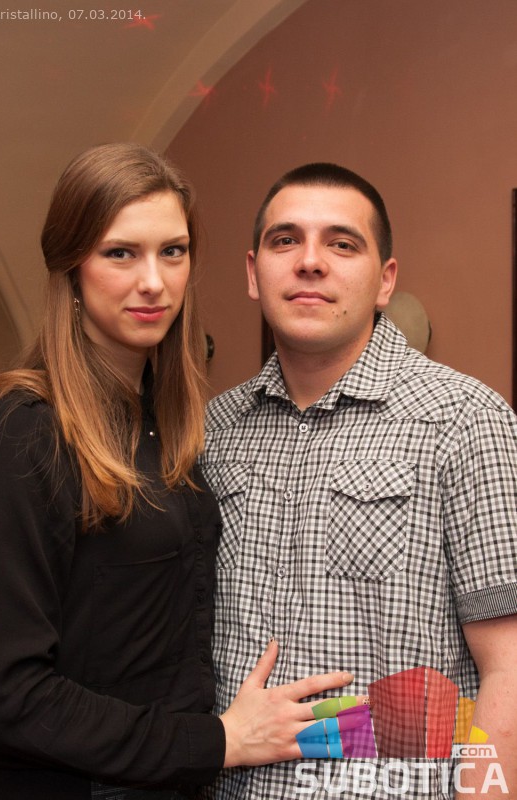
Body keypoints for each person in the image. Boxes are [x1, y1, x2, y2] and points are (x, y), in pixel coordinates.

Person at [0, 146, 355, 800]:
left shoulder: (171, 425)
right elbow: (9, 693)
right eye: (121, 253)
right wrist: (217, 741)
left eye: (173, 252)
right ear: (71, 266)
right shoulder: (27, 430)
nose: (154, 281)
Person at [199, 163, 517, 799]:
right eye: (285, 240)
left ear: (385, 280)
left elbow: (508, 667)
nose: (310, 261)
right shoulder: (213, 429)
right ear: (253, 273)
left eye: (342, 244)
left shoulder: (464, 419)